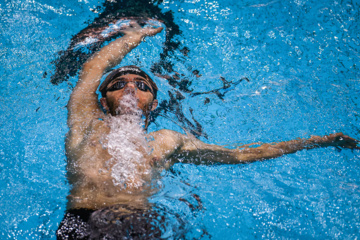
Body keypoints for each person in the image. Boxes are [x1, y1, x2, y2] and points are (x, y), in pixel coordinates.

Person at [56, 19, 359, 239]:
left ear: (154, 103)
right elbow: (93, 69)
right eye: (119, 84)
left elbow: (240, 155)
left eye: (142, 85)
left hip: (140, 224)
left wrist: (316, 141)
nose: (131, 88)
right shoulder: (86, 124)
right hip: (83, 220)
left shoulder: (166, 141)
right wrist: (135, 36)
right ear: (103, 100)